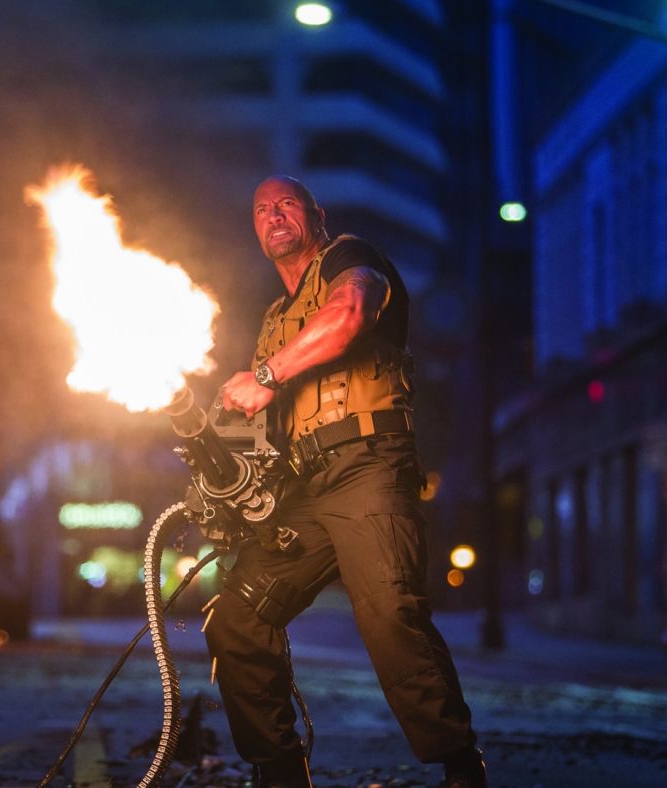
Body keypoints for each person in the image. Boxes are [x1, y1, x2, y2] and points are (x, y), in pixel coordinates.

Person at [206, 176, 485, 788]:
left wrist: (264, 376)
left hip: (368, 466)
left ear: (317, 216)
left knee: (390, 613)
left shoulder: (349, 259)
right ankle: (282, 774)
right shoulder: (274, 321)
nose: (274, 215)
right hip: (305, 491)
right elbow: (266, 430)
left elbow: (350, 314)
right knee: (236, 618)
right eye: (261, 209)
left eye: (287, 204)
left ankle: (462, 768)